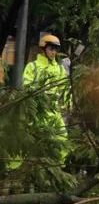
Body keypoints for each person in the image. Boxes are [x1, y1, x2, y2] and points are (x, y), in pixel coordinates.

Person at [20, 34, 71, 164]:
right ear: (43, 49)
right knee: (34, 139)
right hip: (37, 111)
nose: (53, 52)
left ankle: (57, 169)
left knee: (62, 139)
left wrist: (68, 103)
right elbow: (27, 85)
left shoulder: (59, 69)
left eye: (55, 49)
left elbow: (65, 88)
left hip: (54, 110)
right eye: (51, 48)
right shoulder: (33, 67)